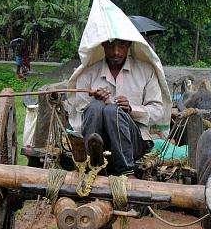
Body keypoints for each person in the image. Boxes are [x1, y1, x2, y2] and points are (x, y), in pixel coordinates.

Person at [67, 37, 165, 176]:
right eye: (111, 46)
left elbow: (158, 111)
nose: (116, 52)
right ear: (103, 45)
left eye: (122, 45)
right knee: (95, 107)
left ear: (129, 45)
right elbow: (80, 112)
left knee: (113, 111)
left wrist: (131, 109)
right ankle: (94, 163)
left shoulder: (146, 71)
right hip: (98, 140)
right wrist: (97, 102)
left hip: (134, 144)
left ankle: (126, 170)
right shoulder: (88, 73)